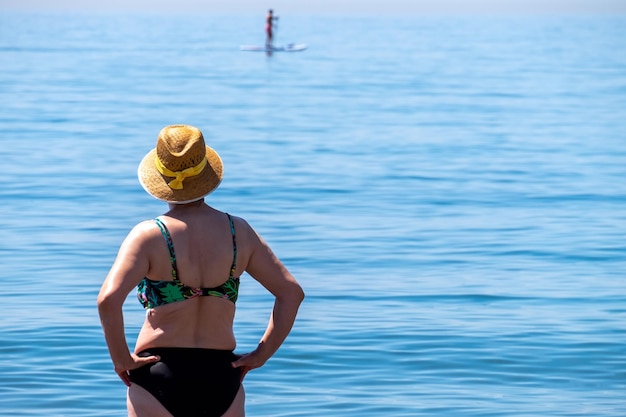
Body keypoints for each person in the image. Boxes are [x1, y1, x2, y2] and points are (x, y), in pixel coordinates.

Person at [97, 124, 304, 417]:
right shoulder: (238, 232)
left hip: (157, 373)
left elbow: (108, 300)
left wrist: (121, 359)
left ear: (160, 178)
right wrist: (262, 354)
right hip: (221, 376)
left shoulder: (148, 235)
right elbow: (291, 293)